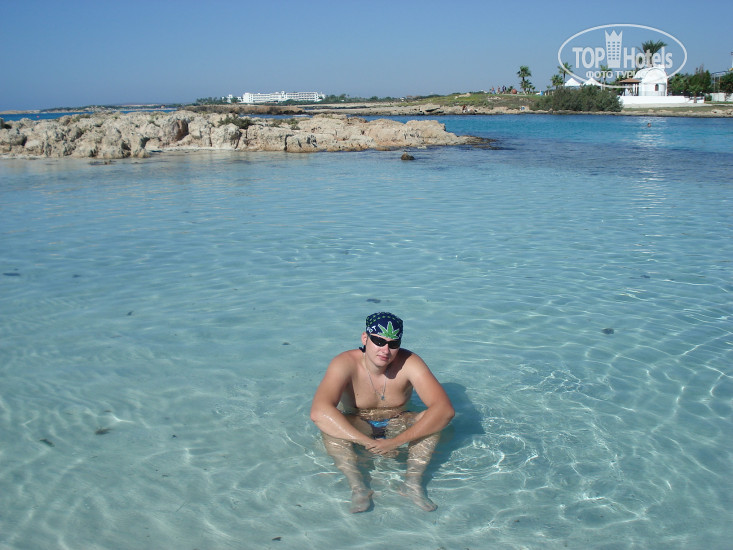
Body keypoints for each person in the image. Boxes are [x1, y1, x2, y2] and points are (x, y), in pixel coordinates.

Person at [310, 312, 454, 513]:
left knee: (432, 423)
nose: (385, 350)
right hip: (359, 424)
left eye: (393, 344)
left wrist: (396, 442)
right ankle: (358, 487)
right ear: (365, 338)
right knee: (330, 428)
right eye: (378, 341)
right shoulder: (345, 363)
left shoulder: (410, 362)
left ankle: (412, 484)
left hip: (398, 423)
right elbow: (319, 411)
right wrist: (367, 442)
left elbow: (445, 410)